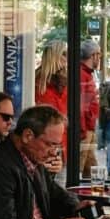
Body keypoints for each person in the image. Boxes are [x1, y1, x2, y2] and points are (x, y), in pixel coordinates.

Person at [35, 41, 68, 182]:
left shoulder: (63, 83)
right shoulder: (40, 84)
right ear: (55, 57)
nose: (67, 59)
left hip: (59, 144)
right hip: (48, 144)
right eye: (64, 55)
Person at [79, 40, 101, 179]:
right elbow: (81, 105)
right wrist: (83, 130)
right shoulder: (82, 74)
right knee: (79, 167)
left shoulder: (87, 74)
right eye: (99, 55)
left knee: (91, 168)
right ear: (93, 55)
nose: (100, 59)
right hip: (85, 129)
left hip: (89, 128)